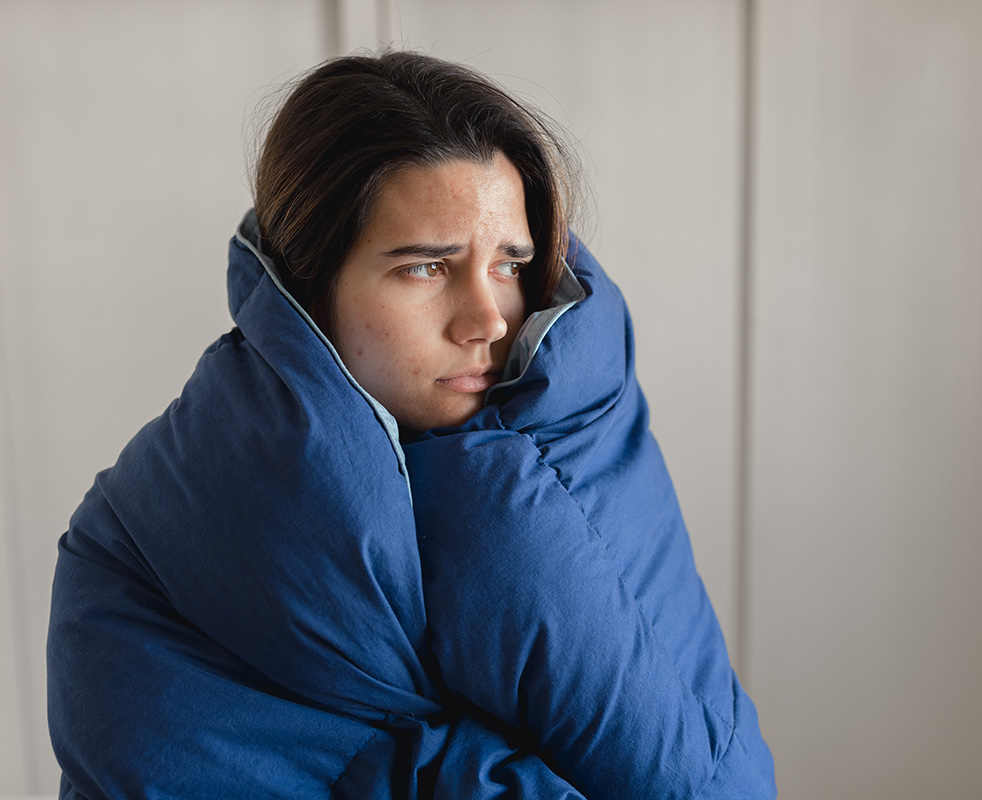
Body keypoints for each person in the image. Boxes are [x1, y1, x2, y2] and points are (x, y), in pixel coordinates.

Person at [47, 51, 776, 799]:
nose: (488, 318)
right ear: (309, 284)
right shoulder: (142, 540)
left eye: (510, 264)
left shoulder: (575, 432)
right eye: (427, 267)